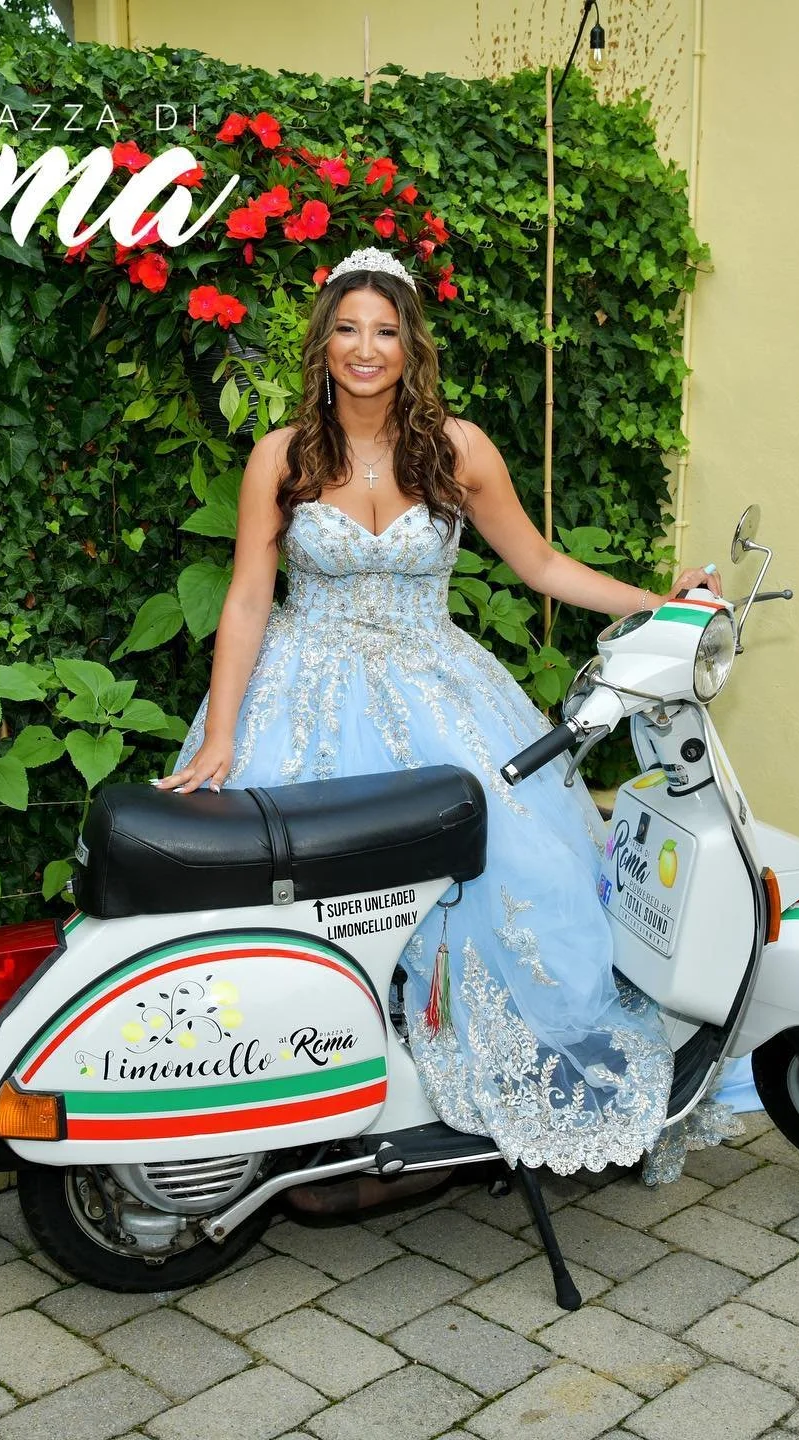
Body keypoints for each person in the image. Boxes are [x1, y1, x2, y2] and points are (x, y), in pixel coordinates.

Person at [158, 246, 735, 1182]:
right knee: (301, 893)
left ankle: (453, 1078)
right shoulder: (283, 456)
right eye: (348, 329)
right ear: (324, 343)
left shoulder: (458, 450)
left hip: (439, 686)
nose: (366, 348)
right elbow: (249, 599)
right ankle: (308, 1078)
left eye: (385, 330)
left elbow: (539, 565)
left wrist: (654, 605)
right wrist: (222, 736)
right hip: (303, 696)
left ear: (410, 345)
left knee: (517, 868)